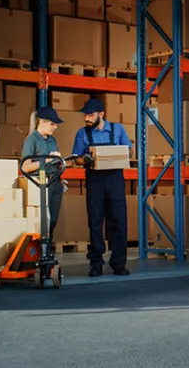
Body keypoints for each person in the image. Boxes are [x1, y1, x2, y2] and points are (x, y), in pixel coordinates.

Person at [72, 98, 133, 277]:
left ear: (101, 114)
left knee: (119, 222)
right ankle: (96, 263)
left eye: (90, 115)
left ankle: (119, 264)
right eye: (85, 115)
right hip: (95, 181)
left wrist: (120, 153)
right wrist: (85, 159)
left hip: (115, 181)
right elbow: (76, 159)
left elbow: (130, 152)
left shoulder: (118, 129)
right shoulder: (82, 133)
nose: (87, 119)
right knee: (95, 223)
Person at [19, 107, 69, 247]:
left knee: (53, 219)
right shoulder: (31, 140)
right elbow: (25, 166)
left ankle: (48, 247)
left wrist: (60, 167)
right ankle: (41, 248)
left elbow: (54, 161)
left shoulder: (52, 140)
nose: (55, 127)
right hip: (41, 183)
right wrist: (47, 160)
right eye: (52, 124)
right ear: (41, 122)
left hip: (55, 181)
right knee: (43, 219)